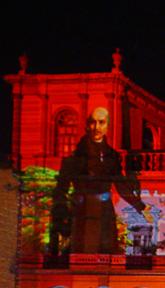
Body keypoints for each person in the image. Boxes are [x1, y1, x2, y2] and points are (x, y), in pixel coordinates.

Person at [50, 107, 152, 255]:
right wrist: (61, 218)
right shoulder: (74, 158)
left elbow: (121, 185)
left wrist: (141, 207)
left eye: (101, 122)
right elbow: (60, 191)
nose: (96, 127)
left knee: (105, 252)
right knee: (83, 252)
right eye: (93, 122)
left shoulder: (111, 156)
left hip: (104, 211)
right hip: (82, 211)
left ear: (107, 127)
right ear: (87, 126)